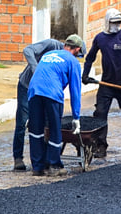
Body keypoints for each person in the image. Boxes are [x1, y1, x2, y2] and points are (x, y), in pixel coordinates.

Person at [13, 37, 84, 171]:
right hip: (49, 92)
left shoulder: (48, 54)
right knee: (54, 128)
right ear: (77, 49)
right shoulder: (72, 61)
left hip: (33, 90)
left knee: (36, 129)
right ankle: (54, 165)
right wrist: (76, 117)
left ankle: (38, 167)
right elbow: (75, 91)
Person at [82, 8, 121, 157]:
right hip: (107, 84)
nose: (116, 25)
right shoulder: (100, 38)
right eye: (113, 22)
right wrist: (85, 75)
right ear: (107, 22)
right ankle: (101, 145)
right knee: (100, 114)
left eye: (118, 22)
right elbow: (90, 57)